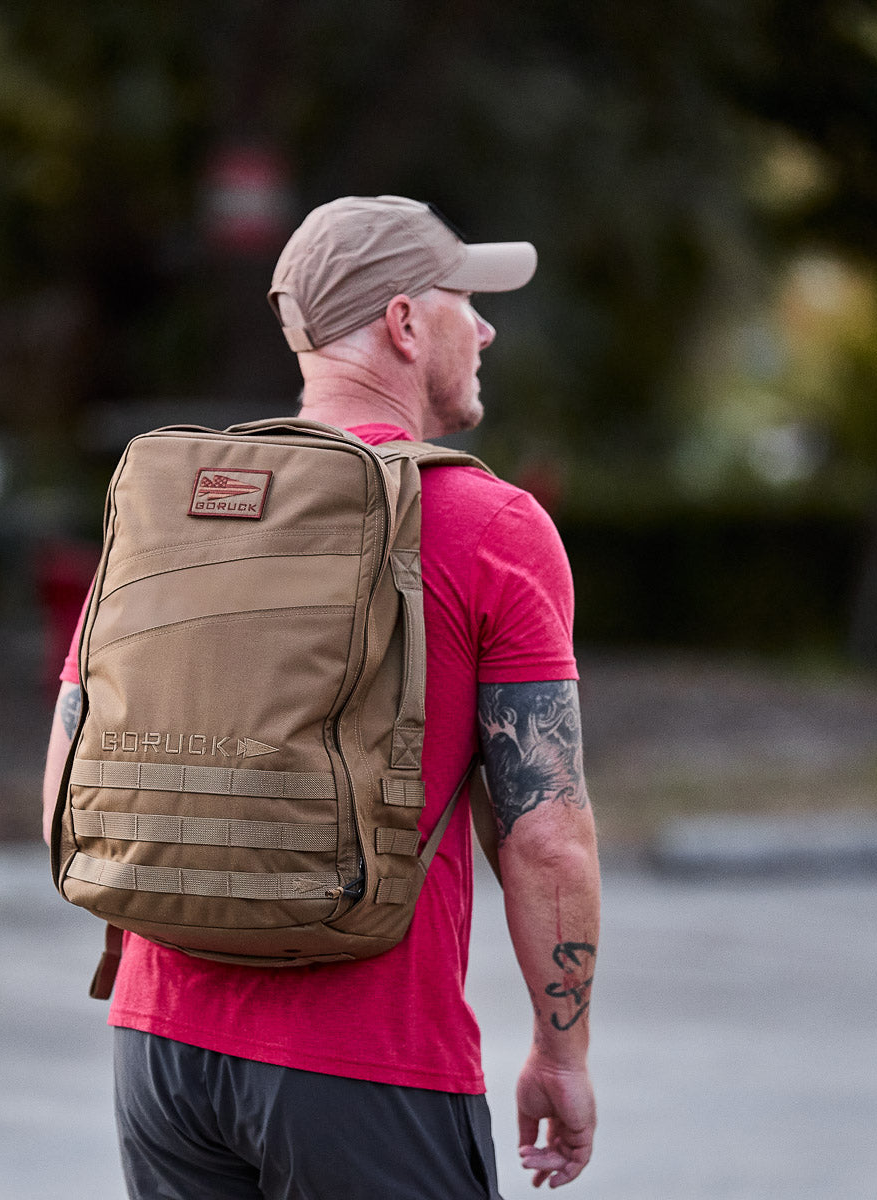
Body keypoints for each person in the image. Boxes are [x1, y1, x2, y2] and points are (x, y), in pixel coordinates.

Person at [42, 195, 601, 1199]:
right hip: (368, 1062)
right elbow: (546, 834)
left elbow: (65, 770)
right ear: (402, 322)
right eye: (463, 301)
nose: (484, 327)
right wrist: (562, 1055)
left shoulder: (177, 511)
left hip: (157, 1048)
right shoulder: (488, 523)